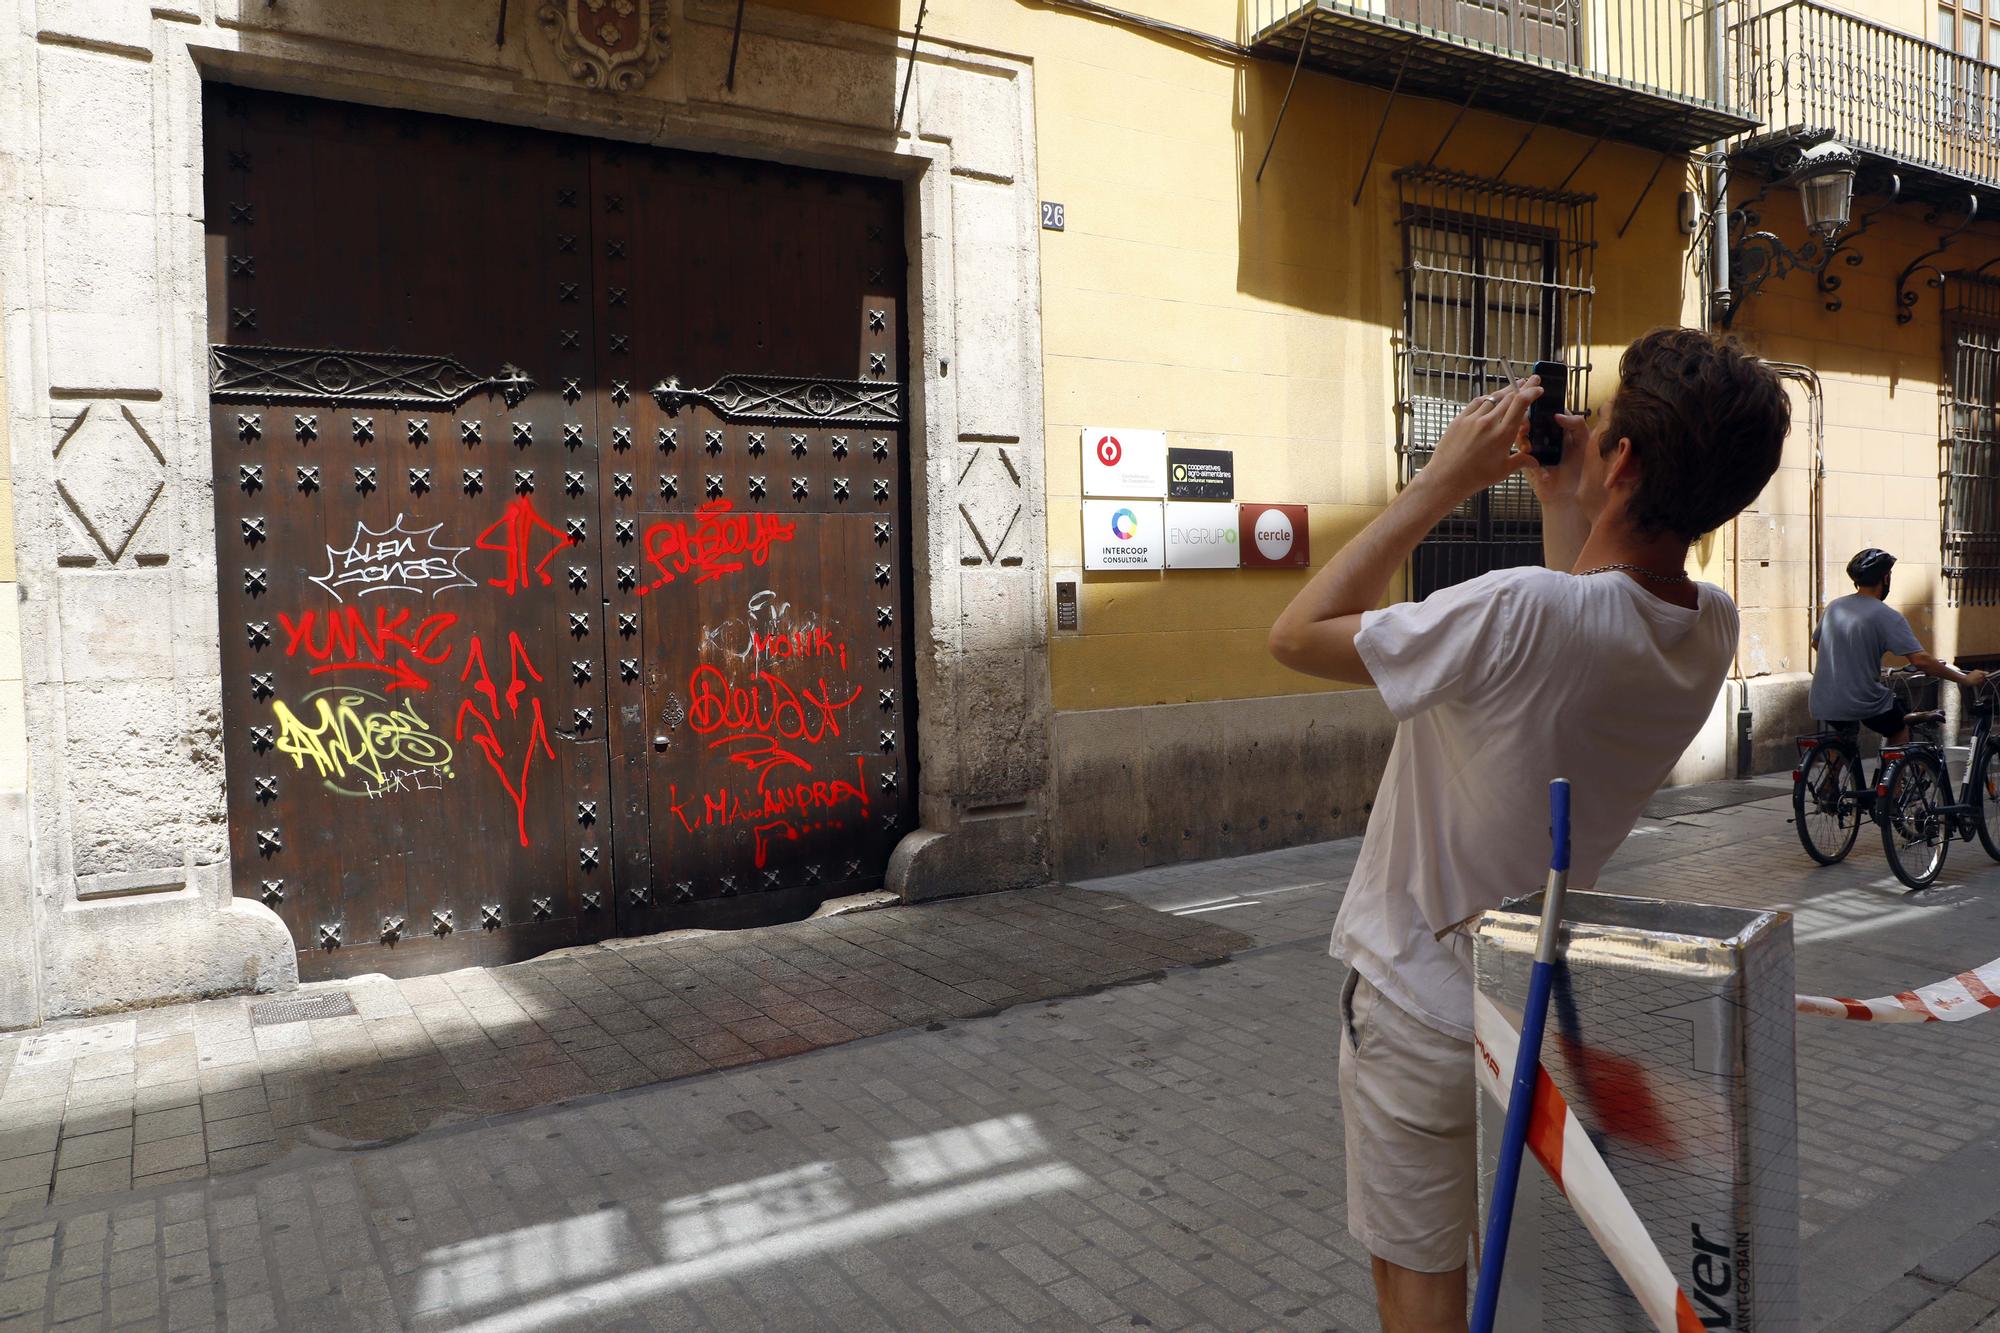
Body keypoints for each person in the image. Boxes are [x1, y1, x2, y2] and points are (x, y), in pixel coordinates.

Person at [1267, 328, 1790, 1333]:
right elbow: (1583, 618)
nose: (1583, 435)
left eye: (1599, 429)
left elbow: (1294, 634)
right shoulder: (1707, 627)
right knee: (1511, 1267)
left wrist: (1440, 481)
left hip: (1418, 998)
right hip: (1528, 1003)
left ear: (1626, 461)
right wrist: (1563, 501)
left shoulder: (1520, 611)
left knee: (1413, 1283)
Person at [1810, 548, 1984, 743]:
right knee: (1898, 729)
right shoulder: (1887, 616)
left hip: (1822, 698)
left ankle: (1832, 771)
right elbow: (1921, 661)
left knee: (1843, 739)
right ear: (1885, 579)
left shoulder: (1835, 606)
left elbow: (1817, 644)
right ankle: (1893, 772)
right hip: (1862, 699)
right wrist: (1965, 679)